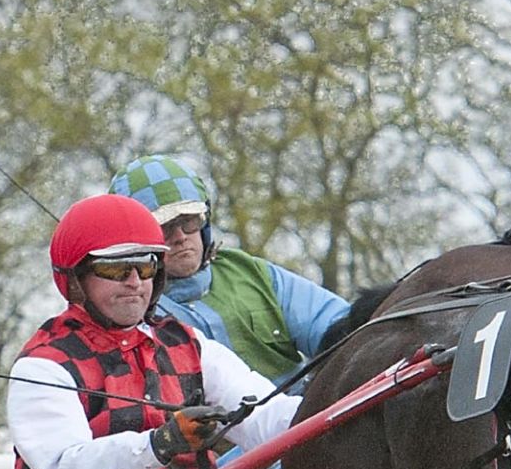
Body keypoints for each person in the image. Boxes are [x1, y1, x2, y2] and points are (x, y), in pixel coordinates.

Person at [8, 193, 300, 469]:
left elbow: (266, 415)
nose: (134, 281)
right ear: (76, 281)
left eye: (145, 265)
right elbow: (65, 466)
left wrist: (349, 405)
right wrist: (160, 444)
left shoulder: (188, 345)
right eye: (115, 267)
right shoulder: (43, 366)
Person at [108, 155, 350, 384]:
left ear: (205, 220)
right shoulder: (131, 307)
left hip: (301, 416)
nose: (181, 236)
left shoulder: (252, 272)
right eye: (165, 227)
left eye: (189, 221)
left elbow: (343, 328)